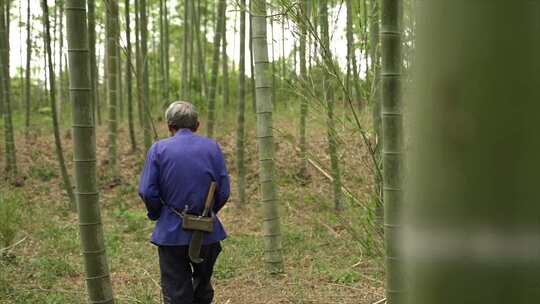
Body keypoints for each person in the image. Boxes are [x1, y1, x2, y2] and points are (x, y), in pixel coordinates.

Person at [138, 101, 230, 304]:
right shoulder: (212, 148)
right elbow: (223, 191)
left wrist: (158, 214)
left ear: (169, 126)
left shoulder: (158, 149)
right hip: (207, 233)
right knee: (203, 289)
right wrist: (206, 214)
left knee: (177, 294)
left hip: (171, 234)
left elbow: (147, 191)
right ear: (197, 125)